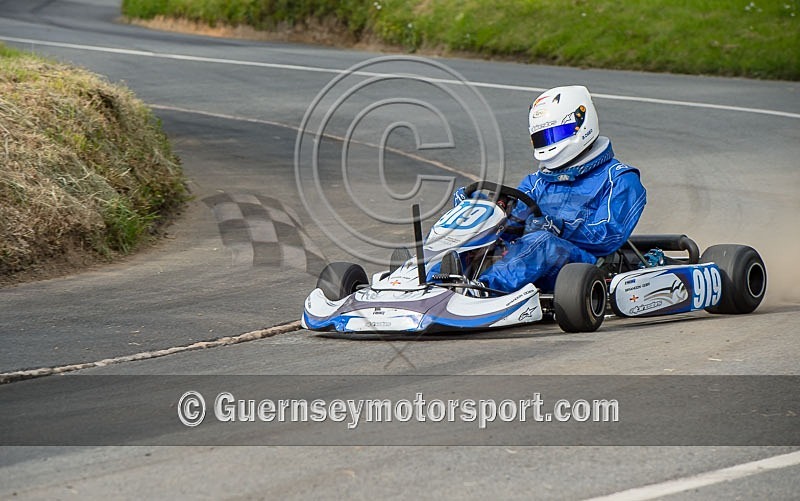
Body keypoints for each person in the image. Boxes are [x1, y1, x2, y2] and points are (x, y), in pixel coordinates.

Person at [454, 85, 647, 293]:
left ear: (582, 124)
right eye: (544, 138)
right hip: (525, 259)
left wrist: (560, 228)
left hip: (581, 268)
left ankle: (482, 291)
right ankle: (430, 283)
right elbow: (511, 228)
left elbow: (609, 237)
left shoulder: (620, 178)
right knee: (468, 235)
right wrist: (482, 212)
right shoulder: (536, 182)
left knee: (543, 242)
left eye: (557, 134)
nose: (550, 143)